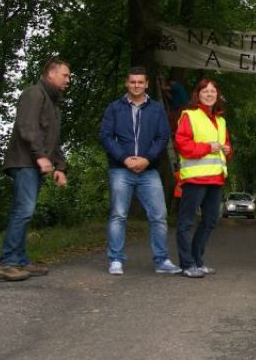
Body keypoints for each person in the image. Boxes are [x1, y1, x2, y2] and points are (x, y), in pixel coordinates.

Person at [99, 67, 180, 276]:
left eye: (140, 82)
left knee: (159, 216)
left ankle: (162, 260)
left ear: (146, 84)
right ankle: (116, 260)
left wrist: (147, 159)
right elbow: (106, 136)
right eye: (132, 82)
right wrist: (124, 158)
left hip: (149, 170)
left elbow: (163, 137)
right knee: (118, 215)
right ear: (127, 83)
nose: (136, 85)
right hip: (120, 169)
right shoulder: (114, 108)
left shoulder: (156, 109)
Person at [0, 58, 71, 281]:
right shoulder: (34, 93)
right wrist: (40, 156)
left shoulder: (52, 104)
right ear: (51, 73)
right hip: (24, 162)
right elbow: (26, 126)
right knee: (24, 210)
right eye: (65, 75)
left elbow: (53, 141)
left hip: (34, 164)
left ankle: (20, 261)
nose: (68, 80)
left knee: (25, 211)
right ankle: (8, 262)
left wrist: (60, 166)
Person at [174, 78, 231, 278]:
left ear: (217, 95)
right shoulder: (189, 115)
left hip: (216, 179)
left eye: (213, 91)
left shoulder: (221, 120)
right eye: (205, 91)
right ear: (198, 95)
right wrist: (209, 147)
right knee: (187, 222)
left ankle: (197, 261)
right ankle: (187, 264)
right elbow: (183, 145)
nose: (209, 94)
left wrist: (227, 150)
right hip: (195, 178)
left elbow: (226, 150)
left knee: (210, 221)